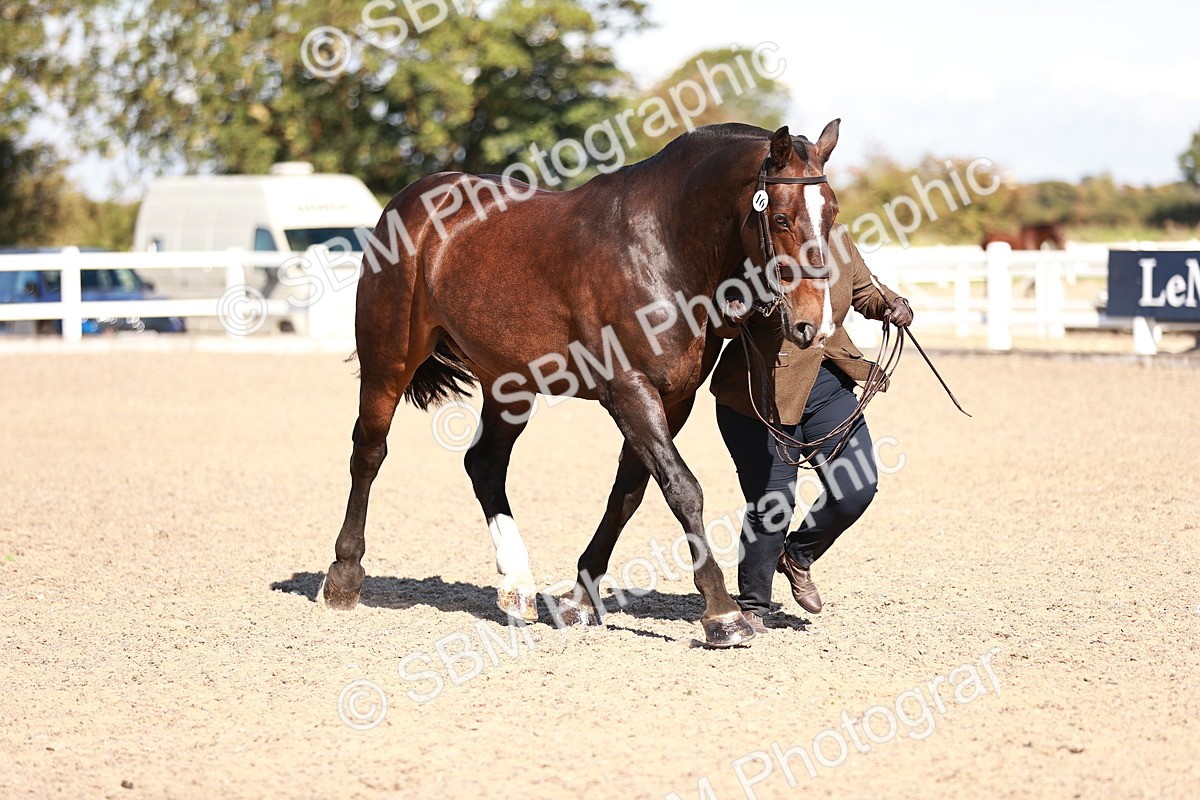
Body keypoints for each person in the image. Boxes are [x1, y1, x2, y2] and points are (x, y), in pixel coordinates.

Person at [708, 225, 913, 633]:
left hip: (828, 383)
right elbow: (721, 321)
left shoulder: (836, 241)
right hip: (758, 395)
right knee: (774, 505)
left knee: (856, 488)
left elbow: (866, 292)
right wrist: (740, 308)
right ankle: (753, 606)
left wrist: (894, 304)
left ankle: (797, 556)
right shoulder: (753, 247)